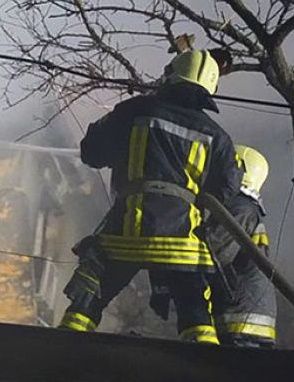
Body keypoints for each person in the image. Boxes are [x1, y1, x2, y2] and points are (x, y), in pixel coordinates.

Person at [58, 49, 243, 344]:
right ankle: (207, 367)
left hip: (125, 234)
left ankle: (58, 351)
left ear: (170, 75)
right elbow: (230, 185)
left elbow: (91, 151)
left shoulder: (134, 111)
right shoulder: (216, 136)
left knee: (91, 293)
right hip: (180, 241)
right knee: (194, 307)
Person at [204, 145, 278, 348]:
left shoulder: (239, 209)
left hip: (241, 323)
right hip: (245, 321)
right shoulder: (245, 209)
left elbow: (214, 252)